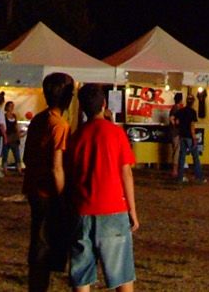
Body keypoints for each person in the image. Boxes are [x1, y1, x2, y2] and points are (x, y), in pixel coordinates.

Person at [64, 83, 138, 292]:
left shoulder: (76, 137)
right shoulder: (116, 133)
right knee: (121, 272)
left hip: (83, 210)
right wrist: (132, 210)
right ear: (104, 104)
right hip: (113, 209)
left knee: (81, 274)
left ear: (81, 107)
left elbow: (71, 175)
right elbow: (126, 173)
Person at [24, 72, 75, 292]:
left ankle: (36, 284)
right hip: (49, 192)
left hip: (33, 188)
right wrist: (62, 197)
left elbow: (27, 156)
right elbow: (57, 167)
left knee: (39, 240)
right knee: (46, 244)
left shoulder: (38, 119)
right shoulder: (59, 125)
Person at [170, 94, 204, 184]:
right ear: (193, 102)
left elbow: (173, 118)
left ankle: (180, 177)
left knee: (182, 157)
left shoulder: (181, 111)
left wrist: (177, 126)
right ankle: (199, 177)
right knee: (195, 157)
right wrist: (194, 137)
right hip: (189, 137)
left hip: (182, 136)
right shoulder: (192, 112)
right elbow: (192, 125)